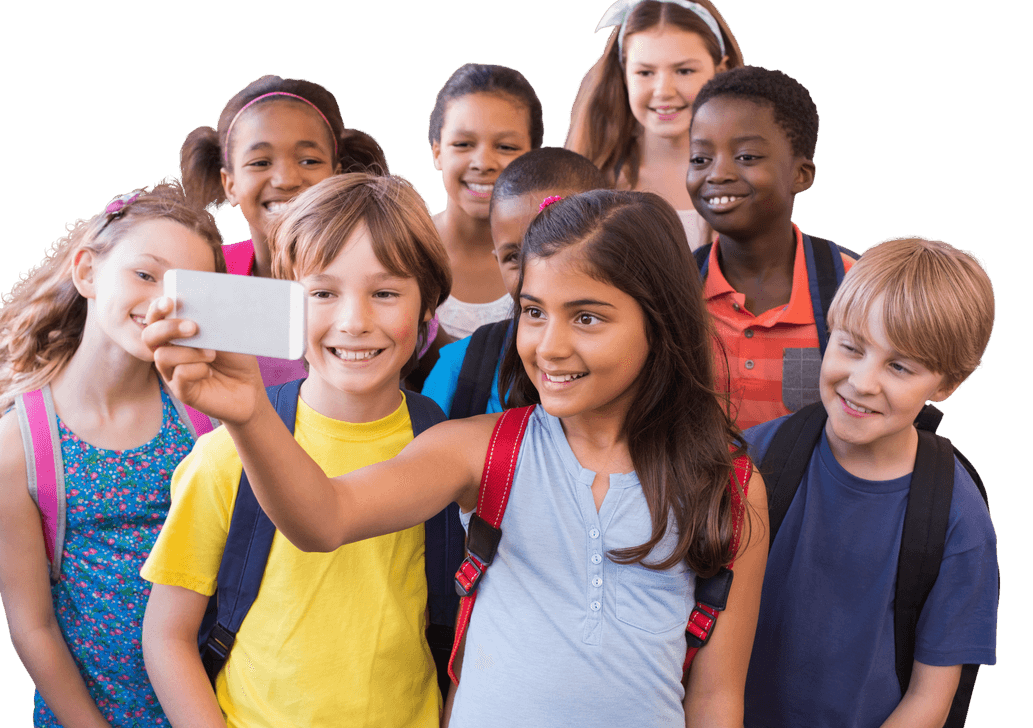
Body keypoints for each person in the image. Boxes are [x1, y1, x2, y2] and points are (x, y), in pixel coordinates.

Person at [145, 189, 769, 727]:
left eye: (586, 317)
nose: (549, 346)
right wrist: (250, 413)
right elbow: (324, 518)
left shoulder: (730, 487)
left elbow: (715, 696)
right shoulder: (477, 448)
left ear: (660, 322)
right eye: (532, 312)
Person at [139, 173, 452, 728]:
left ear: (427, 305)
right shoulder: (225, 457)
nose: (354, 322)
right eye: (323, 293)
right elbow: (167, 636)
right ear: (285, 305)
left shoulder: (445, 454)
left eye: (385, 292)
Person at [0, 179, 226, 727]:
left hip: (214, 706)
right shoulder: (19, 447)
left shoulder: (205, 418)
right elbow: (31, 625)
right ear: (87, 271)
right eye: (145, 273)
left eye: (186, 286)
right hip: (88, 713)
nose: (162, 300)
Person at [740, 236, 998, 727]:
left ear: (946, 383)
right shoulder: (752, 459)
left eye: (899, 366)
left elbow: (930, 701)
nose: (862, 381)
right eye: (851, 348)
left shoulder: (956, 517)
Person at [180, 73, 389, 386]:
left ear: (337, 176)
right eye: (260, 163)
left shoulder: (384, 273)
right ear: (231, 184)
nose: (286, 180)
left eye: (308, 161)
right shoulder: (205, 276)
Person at [686, 65, 858, 429]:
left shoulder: (854, 286)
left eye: (746, 157)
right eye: (701, 159)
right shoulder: (674, 288)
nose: (717, 174)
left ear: (802, 175)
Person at [422, 147, 605, 418]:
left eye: (557, 246)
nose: (535, 270)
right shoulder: (460, 368)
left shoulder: (637, 359)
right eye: (515, 256)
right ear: (497, 261)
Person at [566, 0, 743, 251]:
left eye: (684, 71)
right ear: (624, 74)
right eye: (645, 73)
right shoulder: (592, 181)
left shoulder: (749, 177)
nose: (663, 92)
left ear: (720, 71)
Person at [426, 62, 543, 344]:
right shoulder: (402, 248)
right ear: (438, 152)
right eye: (463, 144)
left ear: (533, 158)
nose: (483, 163)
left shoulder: (552, 256)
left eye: (506, 147)